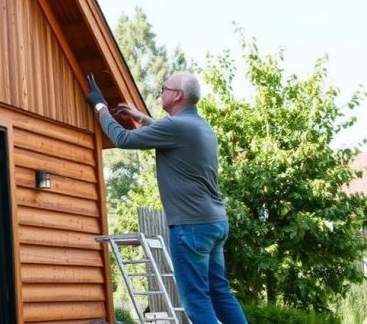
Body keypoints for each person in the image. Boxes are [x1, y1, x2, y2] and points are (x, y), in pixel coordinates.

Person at [85, 71, 248, 324]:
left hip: (191, 226)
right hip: (215, 222)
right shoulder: (201, 126)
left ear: (177, 95)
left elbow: (122, 138)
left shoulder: (176, 127)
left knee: (196, 300)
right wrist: (142, 118)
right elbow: (172, 134)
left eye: (164, 87)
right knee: (220, 292)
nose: (161, 90)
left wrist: (100, 106)